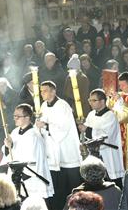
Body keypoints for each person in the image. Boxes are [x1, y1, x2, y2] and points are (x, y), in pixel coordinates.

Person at [36, 81, 81, 210]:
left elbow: (63, 129)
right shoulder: (43, 106)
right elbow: (41, 127)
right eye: (41, 91)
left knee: (71, 185)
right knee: (57, 187)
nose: (42, 93)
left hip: (66, 151)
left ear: (53, 91)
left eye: (45, 90)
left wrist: (45, 126)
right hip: (52, 152)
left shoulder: (63, 106)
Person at [1, 104, 54, 199]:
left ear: (27, 118)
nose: (15, 118)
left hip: (30, 179)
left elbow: (35, 161)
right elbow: (10, 153)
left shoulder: (34, 135)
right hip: (17, 177)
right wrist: (8, 146)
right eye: (14, 116)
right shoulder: (14, 132)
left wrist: (21, 177)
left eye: (18, 116)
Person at [78, 89, 125, 187]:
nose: (90, 103)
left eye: (93, 100)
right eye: (90, 100)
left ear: (102, 101)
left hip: (108, 155)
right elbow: (86, 130)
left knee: (112, 182)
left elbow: (106, 136)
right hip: (94, 154)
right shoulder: (91, 114)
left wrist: (86, 130)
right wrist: (82, 129)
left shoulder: (110, 116)